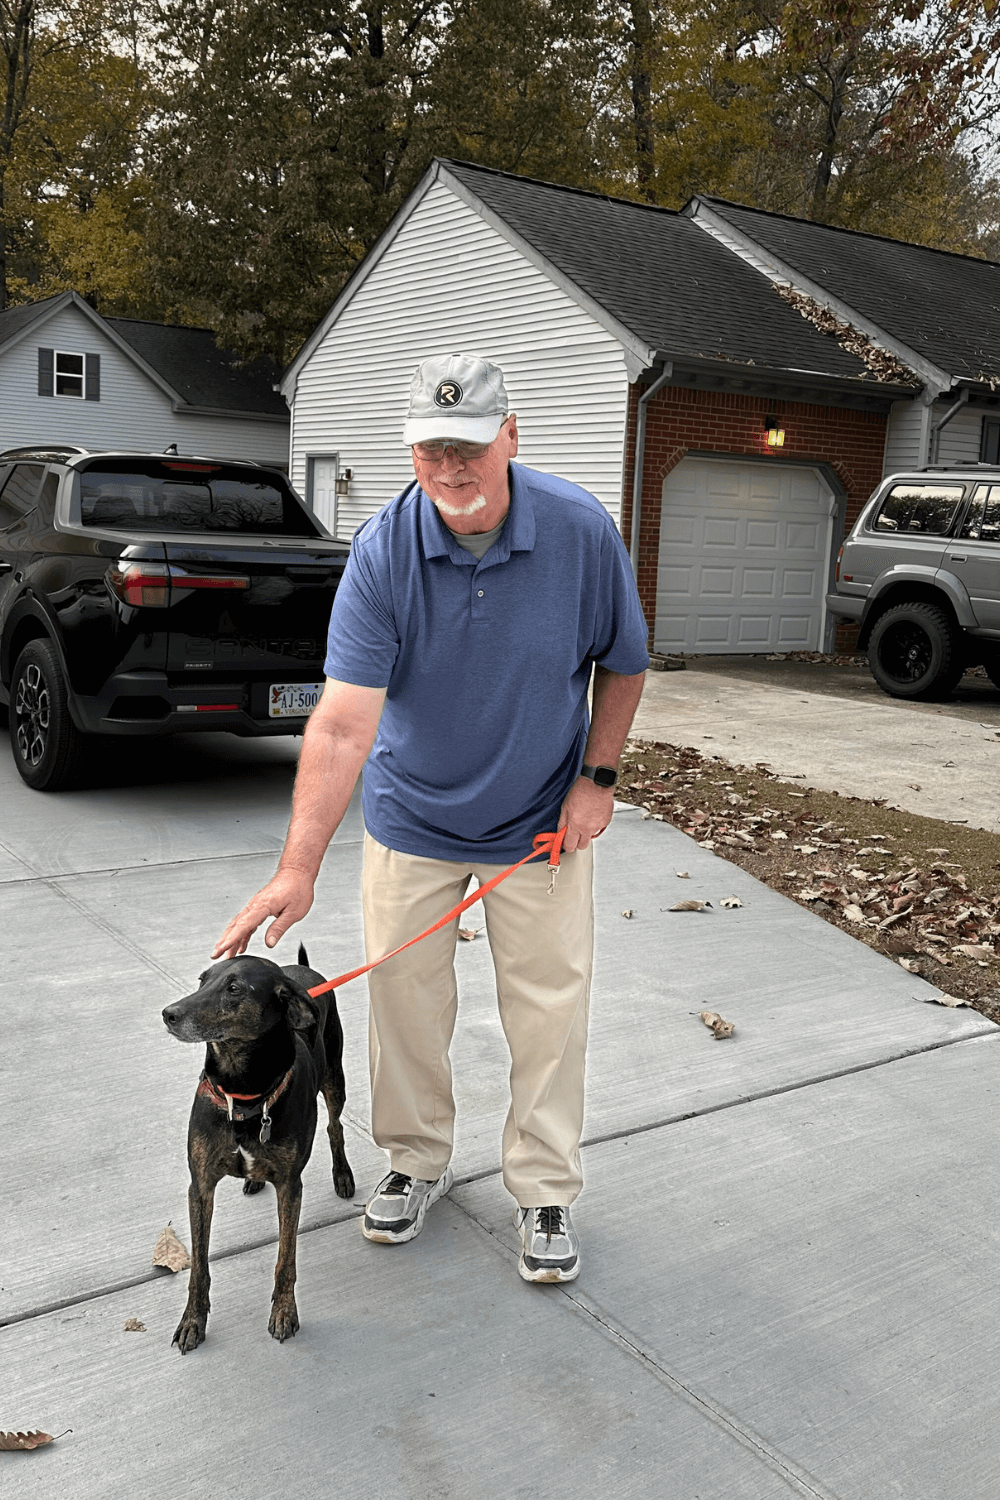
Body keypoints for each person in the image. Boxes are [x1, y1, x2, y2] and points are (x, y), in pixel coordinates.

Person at [214, 353, 649, 1283]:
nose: (450, 468)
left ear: (510, 438)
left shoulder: (579, 532)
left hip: (538, 826)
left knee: (547, 1014)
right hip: (412, 820)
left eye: (468, 446)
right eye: (428, 450)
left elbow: (625, 660)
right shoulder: (384, 550)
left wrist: (598, 779)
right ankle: (413, 1163)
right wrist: (299, 865)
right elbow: (339, 724)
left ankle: (544, 1189)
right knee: (406, 1010)